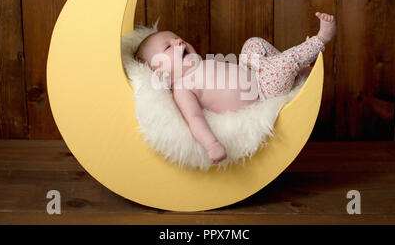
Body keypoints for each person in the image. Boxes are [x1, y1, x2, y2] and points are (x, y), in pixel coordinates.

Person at [134, 12, 336, 165]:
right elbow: (195, 120)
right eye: (168, 47)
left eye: (177, 38)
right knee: (284, 63)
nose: (178, 41)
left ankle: (293, 72)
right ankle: (321, 39)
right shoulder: (182, 90)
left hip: (254, 71)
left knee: (253, 44)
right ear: (161, 75)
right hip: (263, 90)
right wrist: (211, 145)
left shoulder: (197, 65)